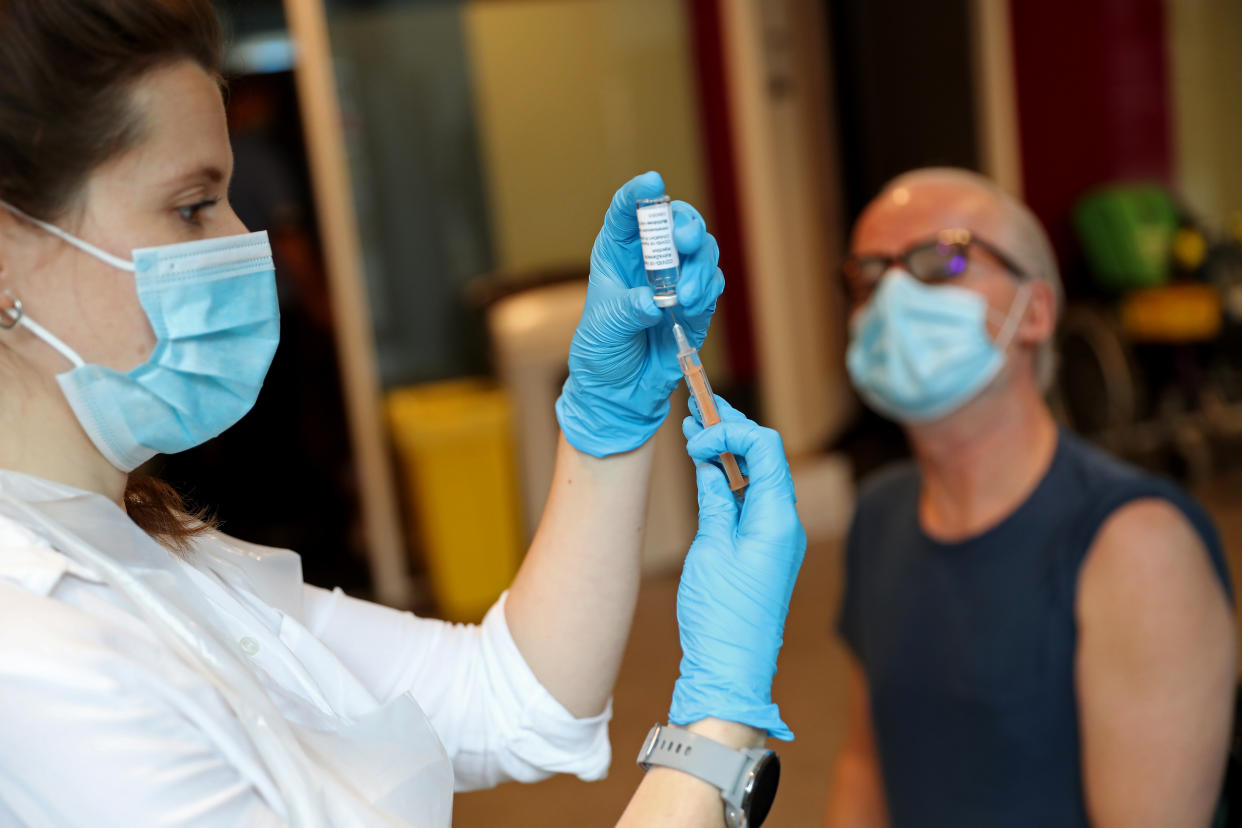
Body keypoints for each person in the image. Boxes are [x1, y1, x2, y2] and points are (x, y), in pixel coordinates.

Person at [0, 2, 804, 826]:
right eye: (192, 206)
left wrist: (608, 422)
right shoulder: (28, 655)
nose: (243, 239)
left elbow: (514, 698)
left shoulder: (154, 551)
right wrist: (718, 724)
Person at [824, 167, 1236, 827]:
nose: (894, 295)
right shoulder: (879, 515)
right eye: (870, 276)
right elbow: (865, 766)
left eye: (943, 258)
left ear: (1035, 312)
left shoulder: (1133, 545)